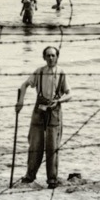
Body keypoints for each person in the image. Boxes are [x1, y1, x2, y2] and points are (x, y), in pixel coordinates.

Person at [17, 46, 71, 188]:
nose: (51, 58)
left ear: (57, 57)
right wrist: (20, 102)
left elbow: (70, 94)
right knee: (35, 144)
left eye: (53, 55)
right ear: (44, 57)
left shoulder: (61, 73)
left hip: (54, 111)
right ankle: (30, 176)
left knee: (53, 146)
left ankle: (52, 179)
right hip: (39, 111)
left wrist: (58, 101)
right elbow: (24, 85)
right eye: (48, 55)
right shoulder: (39, 72)